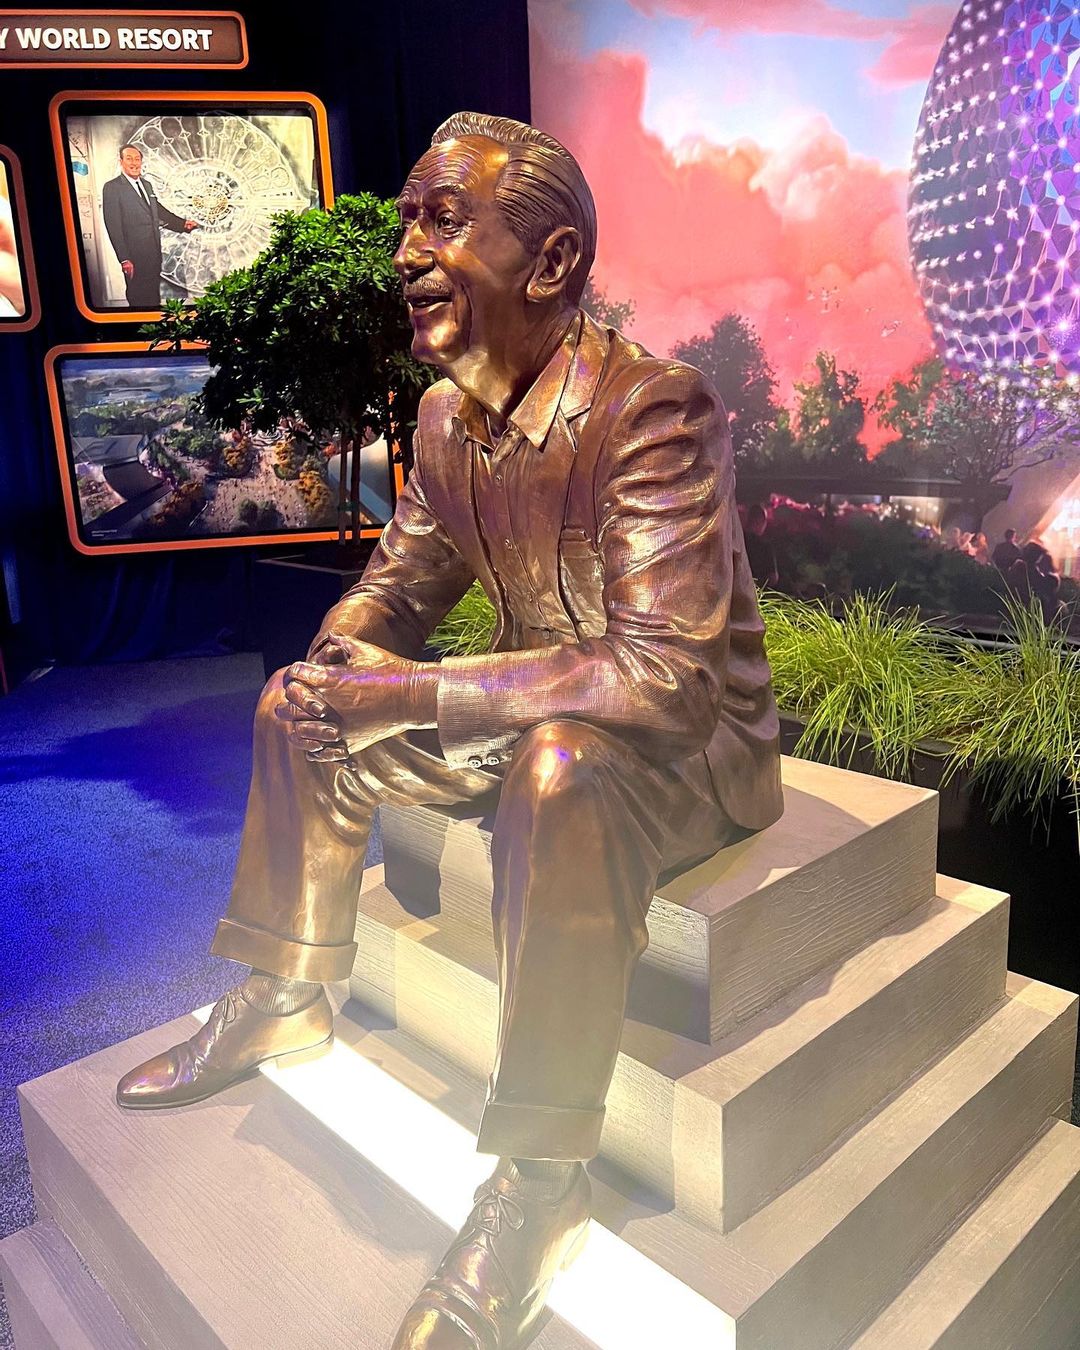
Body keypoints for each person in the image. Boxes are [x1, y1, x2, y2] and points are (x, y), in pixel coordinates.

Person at [116, 112, 784, 1348]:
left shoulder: (654, 412)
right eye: (409, 221)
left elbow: (665, 681)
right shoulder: (441, 419)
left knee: (559, 774)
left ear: (552, 261)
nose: (408, 252)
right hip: (536, 708)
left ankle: (539, 1182)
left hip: (685, 750)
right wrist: (341, 664)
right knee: (295, 706)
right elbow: (397, 591)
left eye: (443, 222)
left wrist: (412, 696)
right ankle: (286, 991)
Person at [100, 144, 198, 310]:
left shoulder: (146, 185)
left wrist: (182, 224)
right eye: (129, 159)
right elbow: (113, 226)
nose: (134, 163)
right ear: (121, 162)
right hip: (134, 257)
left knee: (153, 299)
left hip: (153, 253)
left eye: (137, 159)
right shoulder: (112, 187)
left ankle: (153, 324)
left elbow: (158, 211)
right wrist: (124, 259)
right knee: (138, 299)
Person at [743, 501, 779, 587]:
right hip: (756, 591)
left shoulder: (735, 540)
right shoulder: (765, 546)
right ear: (761, 522)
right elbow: (773, 578)